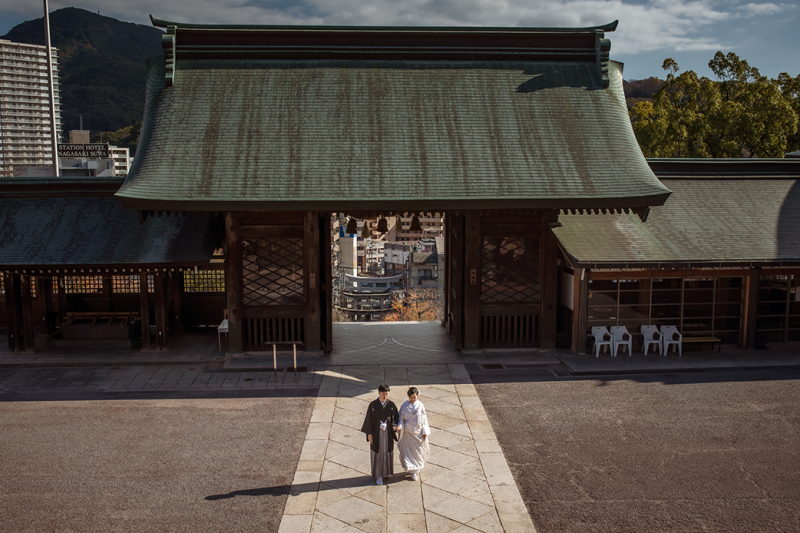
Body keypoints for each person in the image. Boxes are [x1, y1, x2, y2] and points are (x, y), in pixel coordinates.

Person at [361, 383, 399, 485]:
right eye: (383, 394)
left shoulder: (391, 405)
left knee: (387, 452)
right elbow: (368, 420)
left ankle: (386, 473)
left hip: (387, 433)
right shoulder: (372, 405)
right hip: (376, 433)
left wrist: (394, 426)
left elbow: (396, 418)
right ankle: (378, 475)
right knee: (377, 453)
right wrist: (369, 434)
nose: (385, 396)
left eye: (387, 394)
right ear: (379, 393)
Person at [397, 386, 431, 481]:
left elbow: (424, 420)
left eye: (414, 397)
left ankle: (417, 468)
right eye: (411, 397)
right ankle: (412, 471)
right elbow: (400, 418)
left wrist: (424, 432)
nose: (413, 399)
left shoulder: (420, 405)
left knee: (418, 452)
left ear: (417, 396)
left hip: (417, 433)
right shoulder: (404, 406)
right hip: (407, 433)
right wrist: (400, 426)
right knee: (408, 452)